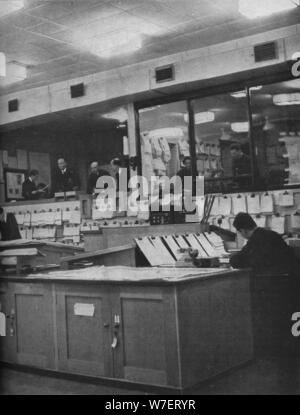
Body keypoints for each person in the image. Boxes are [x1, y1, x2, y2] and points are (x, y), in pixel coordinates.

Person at [230, 212, 298, 274]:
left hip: (272, 280)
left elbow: (238, 260)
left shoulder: (254, 240)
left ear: (243, 231)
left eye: (240, 233)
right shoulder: (273, 234)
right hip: (289, 278)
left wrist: (232, 258)